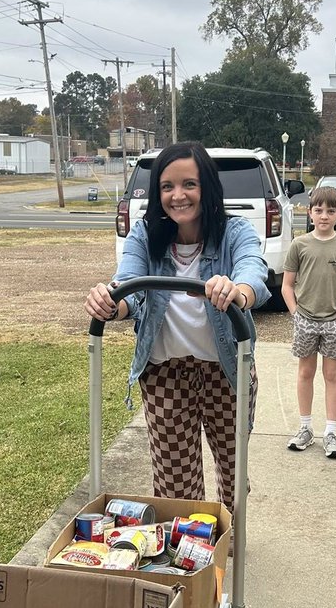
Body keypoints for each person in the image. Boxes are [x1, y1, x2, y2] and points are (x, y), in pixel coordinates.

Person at [85, 141, 268, 510]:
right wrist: (111, 302)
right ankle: (191, 544)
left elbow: (253, 270)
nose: (177, 195)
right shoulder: (144, 235)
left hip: (226, 373)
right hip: (165, 375)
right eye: (167, 186)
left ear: (207, 188)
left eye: (189, 184)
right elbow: (129, 285)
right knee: (175, 486)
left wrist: (238, 291)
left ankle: (231, 536)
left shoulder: (235, 231)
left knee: (233, 475)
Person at [281, 185, 336, 459]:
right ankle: (305, 428)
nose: (324, 216)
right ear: (310, 213)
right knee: (305, 372)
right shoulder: (299, 245)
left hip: (334, 321)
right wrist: (295, 313)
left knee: (332, 375)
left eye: (330, 211)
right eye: (319, 210)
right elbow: (287, 285)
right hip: (305, 319)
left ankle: (331, 432)